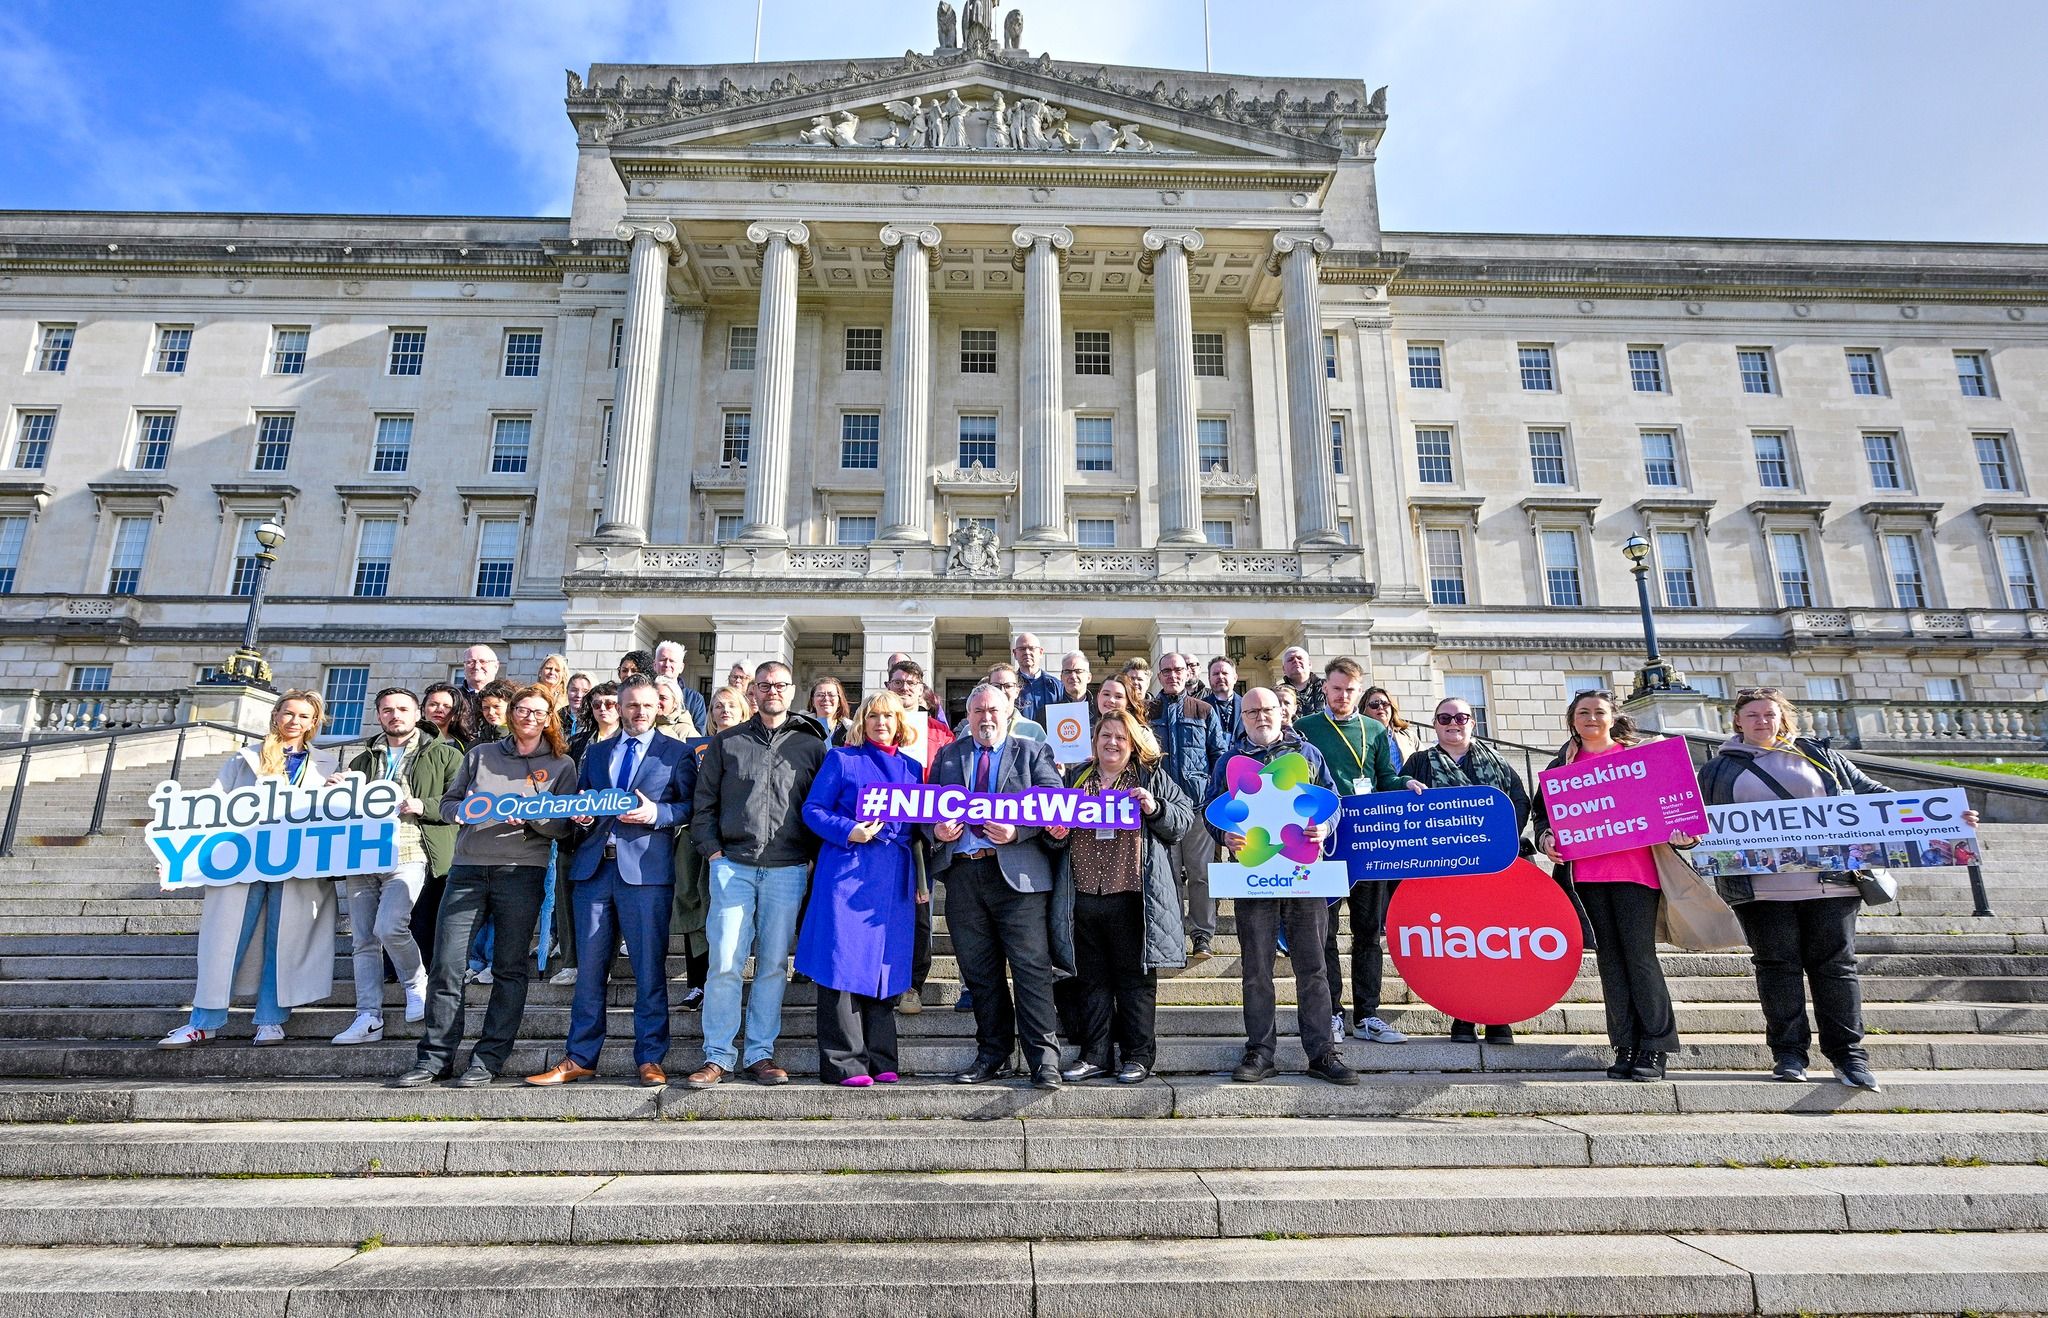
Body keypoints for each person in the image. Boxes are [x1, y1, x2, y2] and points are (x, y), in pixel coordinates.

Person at [1699, 688, 1977, 1092]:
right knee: (1776, 969)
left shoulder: (1818, 755)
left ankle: (1849, 1056)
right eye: (1753, 715)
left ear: (1782, 718)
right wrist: (1685, 835)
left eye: (1769, 714)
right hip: (1760, 889)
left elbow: (1873, 795)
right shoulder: (1717, 769)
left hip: (1833, 883)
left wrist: (1948, 817)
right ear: (1737, 721)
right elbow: (1697, 819)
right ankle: (1789, 1054)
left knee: (1836, 968)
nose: (1762, 721)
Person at [391, 685, 575, 1088]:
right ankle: (434, 1058)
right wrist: (463, 811)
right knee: (446, 965)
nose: (530, 718)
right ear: (511, 713)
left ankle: (488, 1059)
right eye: (523, 710)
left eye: (539, 712)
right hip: (468, 870)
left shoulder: (562, 765)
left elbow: (564, 828)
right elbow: (449, 804)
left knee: (509, 968)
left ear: (549, 718)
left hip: (521, 872)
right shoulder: (479, 754)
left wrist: (533, 818)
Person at [526, 676, 695, 1089]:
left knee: (649, 971)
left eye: (647, 705)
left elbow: (689, 806)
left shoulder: (677, 752)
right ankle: (580, 1058)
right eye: (631, 705)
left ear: (659, 708)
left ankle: (650, 1058)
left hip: (646, 875)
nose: (639, 712)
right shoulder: (598, 752)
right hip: (594, 871)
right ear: (619, 708)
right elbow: (584, 798)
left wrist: (657, 814)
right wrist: (581, 814)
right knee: (588, 971)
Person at [158, 691, 335, 1049]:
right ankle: (203, 1021)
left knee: (283, 941)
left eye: (304, 716)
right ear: (276, 715)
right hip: (243, 860)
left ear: (313, 723)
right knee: (225, 942)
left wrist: (336, 792)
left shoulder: (327, 765)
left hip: (296, 864)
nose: (294, 721)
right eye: (288, 713)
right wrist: (177, 859)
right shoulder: (245, 758)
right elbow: (209, 809)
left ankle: (271, 1020)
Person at [1536, 689, 1695, 1083]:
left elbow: (1680, 811)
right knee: (1609, 961)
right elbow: (1543, 816)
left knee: (1640, 958)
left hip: (1637, 874)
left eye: (1599, 711)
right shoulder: (1561, 765)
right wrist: (1546, 838)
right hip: (1586, 879)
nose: (1591, 718)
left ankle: (1655, 1045)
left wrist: (1685, 834)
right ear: (1572, 720)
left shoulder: (1639, 758)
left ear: (1613, 717)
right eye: (1583, 712)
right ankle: (1624, 1044)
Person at [685, 662, 828, 1088]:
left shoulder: (811, 746)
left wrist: (810, 857)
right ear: (753, 692)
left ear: (792, 690)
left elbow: (820, 806)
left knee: (772, 965)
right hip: (732, 865)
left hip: (787, 867)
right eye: (764, 685)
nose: (772, 692)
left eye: (780, 685)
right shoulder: (726, 742)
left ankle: (760, 1052)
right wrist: (713, 852)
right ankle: (718, 1055)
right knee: (724, 962)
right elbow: (703, 804)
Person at [1204, 688, 1357, 1086]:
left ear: (1281, 712)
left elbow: (1334, 801)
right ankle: (1260, 1051)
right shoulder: (1229, 762)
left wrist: (1324, 826)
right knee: (1256, 968)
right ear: (1243, 718)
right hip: (1253, 877)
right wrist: (1224, 836)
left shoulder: (1308, 754)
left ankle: (1322, 1053)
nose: (1261, 716)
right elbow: (1210, 810)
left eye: (1267, 709)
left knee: (1314, 968)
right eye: (1252, 711)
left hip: (1304, 874)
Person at [925, 681, 1067, 1089]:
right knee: (979, 972)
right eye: (978, 711)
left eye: (993, 710)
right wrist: (937, 831)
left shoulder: (1032, 750)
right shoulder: (948, 755)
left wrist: (1017, 830)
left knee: (1031, 970)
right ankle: (993, 1055)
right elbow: (925, 810)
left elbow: (1054, 802)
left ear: (1007, 713)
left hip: (1018, 879)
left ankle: (1044, 1060)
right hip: (964, 875)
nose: (985, 717)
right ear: (968, 716)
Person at [1047, 711, 1190, 1084]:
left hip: (1132, 895)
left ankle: (1137, 1055)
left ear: (1133, 745)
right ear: (1094, 741)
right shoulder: (1076, 778)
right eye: (1105, 736)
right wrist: (1055, 833)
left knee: (1134, 981)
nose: (1112, 742)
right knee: (1090, 981)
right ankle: (1095, 1055)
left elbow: (1182, 820)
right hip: (1083, 894)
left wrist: (1154, 808)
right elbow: (1051, 835)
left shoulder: (1150, 777)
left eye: (1120, 737)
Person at [795, 691, 924, 1085]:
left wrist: (922, 876)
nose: (881, 723)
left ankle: (882, 1058)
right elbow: (812, 809)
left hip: (893, 879)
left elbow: (920, 826)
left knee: (884, 965)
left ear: (899, 723)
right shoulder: (842, 759)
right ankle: (844, 1063)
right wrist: (849, 829)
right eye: (873, 716)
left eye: (888, 717)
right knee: (842, 963)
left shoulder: (913, 768)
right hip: (847, 873)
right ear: (862, 722)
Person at [1403, 696, 1539, 1045]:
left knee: (1496, 942)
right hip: (1446, 870)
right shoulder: (1419, 763)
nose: (1453, 723)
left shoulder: (1498, 762)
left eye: (1461, 717)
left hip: (1495, 868)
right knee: (1457, 943)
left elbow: (1519, 801)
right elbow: (1405, 808)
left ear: (1472, 723)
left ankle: (1497, 1015)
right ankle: (1463, 1015)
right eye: (1445, 718)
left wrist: (1495, 838)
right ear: (1435, 724)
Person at [1297, 658, 1421, 1046]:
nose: (1343, 696)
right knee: (1326, 932)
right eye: (1336, 689)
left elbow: (1385, 778)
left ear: (1359, 690)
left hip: (1369, 843)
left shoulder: (1375, 729)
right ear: (1325, 688)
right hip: (1326, 841)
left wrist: (1405, 783)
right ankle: (1332, 1012)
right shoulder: (1306, 728)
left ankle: (1367, 1014)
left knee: (1367, 932)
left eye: (1350, 690)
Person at [331, 687, 463, 1046]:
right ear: (378, 716)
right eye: (387, 710)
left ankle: (415, 981)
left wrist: (425, 805)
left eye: (403, 709)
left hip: (409, 852)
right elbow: (343, 810)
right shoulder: (362, 761)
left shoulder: (444, 754)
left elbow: (462, 801)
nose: (395, 715)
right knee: (363, 940)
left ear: (417, 713)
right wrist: (335, 790)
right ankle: (368, 1016)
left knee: (389, 926)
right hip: (362, 857)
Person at [1150, 652, 1228, 961]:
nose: (1172, 675)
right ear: (1159, 675)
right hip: (1162, 809)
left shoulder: (1204, 710)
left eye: (1178, 670)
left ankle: (1201, 935)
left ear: (1187, 674)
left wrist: (1215, 797)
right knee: (1166, 875)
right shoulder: (1147, 711)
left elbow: (1218, 755)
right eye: (1166, 670)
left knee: (1201, 874)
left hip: (1197, 805)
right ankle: (1171, 934)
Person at [652, 639, 711, 732]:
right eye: (663, 660)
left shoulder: (695, 699)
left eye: (672, 661)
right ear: (654, 665)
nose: (667, 664)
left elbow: (698, 735)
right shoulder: (643, 694)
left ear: (681, 667)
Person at [1364, 687, 1429, 763]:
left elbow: (1426, 762)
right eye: (1374, 704)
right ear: (1364, 710)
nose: (1380, 707)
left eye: (1385, 704)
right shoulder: (1359, 736)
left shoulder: (1409, 736)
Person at [985, 663, 1048, 741]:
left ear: (1017, 692)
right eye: (996, 686)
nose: (1002, 691)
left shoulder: (1034, 730)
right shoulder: (974, 728)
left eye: (1008, 686)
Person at [1010, 632, 1062, 724]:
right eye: (1022, 649)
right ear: (1015, 653)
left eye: (1031, 648)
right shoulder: (1009, 686)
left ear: (1041, 652)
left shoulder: (1056, 686)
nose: (1027, 652)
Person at [568, 681, 621, 765]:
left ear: (620, 707)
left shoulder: (629, 741)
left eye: (609, 704)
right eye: (597, 704)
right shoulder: (576, 742)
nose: (602, 708)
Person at [422, 681, 481, 750]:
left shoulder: (466, 747)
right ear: (423, 710)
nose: (439, 710)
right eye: (433, 705)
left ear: (455, 715)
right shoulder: (412, 740)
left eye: (446, 706)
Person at [1277, 646, 1326, 719]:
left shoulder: (1328, 687)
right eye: (1290, 659)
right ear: (1284, 669)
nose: (1296, 661)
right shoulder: (1276, 694)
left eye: (1299, 658)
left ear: (1309, 664)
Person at [1204, 656, 1244, 738]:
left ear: (1235, 678)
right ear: (1209, 679)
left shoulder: (1247, 705)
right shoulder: (1200, 707)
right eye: (1215, 674)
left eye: (1225, 673)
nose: (1220, 676)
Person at [652, 675, 702, 739]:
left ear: (675, 702)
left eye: (663, 698)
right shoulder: (643, 725)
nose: (657, 701)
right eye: (653, 697)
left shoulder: (687, 733)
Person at [808, 677, 854, 745]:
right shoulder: (800, 728)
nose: (826, 698)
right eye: (820, 695)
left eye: (831, 695)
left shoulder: (851, 731)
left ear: (839, 701)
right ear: (812, 702)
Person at [564, 673, 594, 737]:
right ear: (567, 691)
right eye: (574, 690)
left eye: (585, 691)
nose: (579, 695)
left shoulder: (595, 719)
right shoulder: (557, 717)